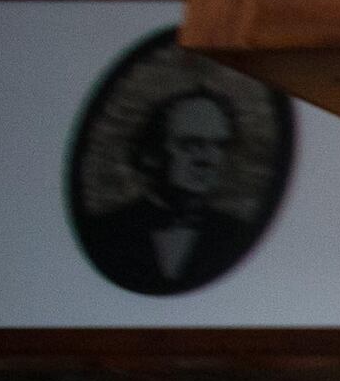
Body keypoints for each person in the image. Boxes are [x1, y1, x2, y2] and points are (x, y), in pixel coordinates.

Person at [80, 88, 258, 294]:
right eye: (190, 144)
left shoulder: (234, 234)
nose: (207, 159)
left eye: (218, 145)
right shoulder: (106, 232)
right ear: (152, 152)